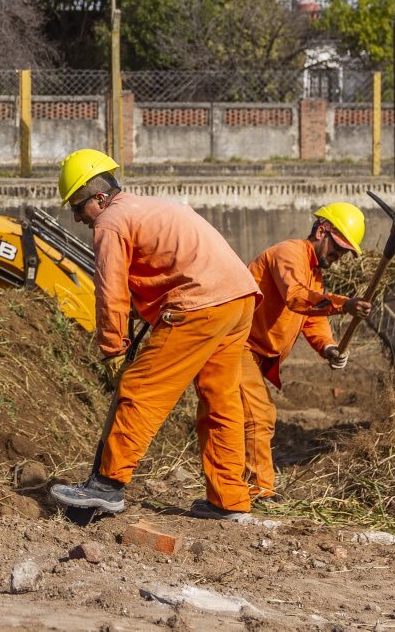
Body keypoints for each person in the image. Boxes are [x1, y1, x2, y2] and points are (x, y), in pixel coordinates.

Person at [49, 149, 261, 521]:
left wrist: (113, 347)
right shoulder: (150, 207)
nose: (76, 217)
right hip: (238, 299)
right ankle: (229, 500)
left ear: (99, 198)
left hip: (200, 304)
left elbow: (110, 292)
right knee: (221, 401)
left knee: (141, 390)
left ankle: (107, 486)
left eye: (78, 206)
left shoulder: (111, 223)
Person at [241, 202, 372, 501]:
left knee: (238, 418)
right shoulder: (290, 254)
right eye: (337, 247)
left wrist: (328, 347)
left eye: (344, 252)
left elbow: (311, 317)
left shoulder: (314, 272)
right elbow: (297, 298)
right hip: (239, 347)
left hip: (258, 357)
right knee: (259, 416)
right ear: (321, 230)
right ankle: (258, 491)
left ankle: (235, 485)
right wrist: (345, 304)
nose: (338, 256)